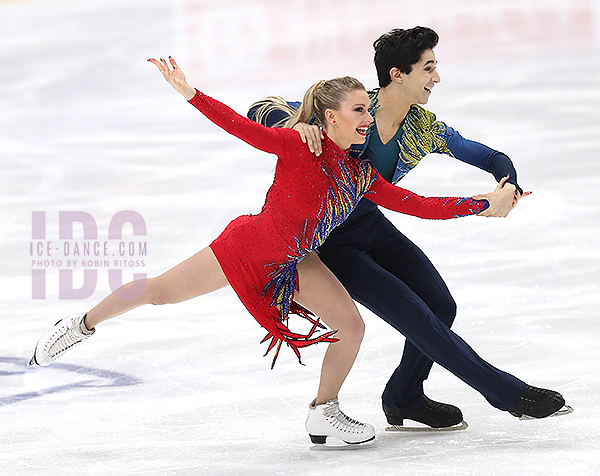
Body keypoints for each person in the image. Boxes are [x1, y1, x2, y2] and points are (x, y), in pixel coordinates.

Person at [28, 57, 500, 447]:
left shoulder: (359, 175)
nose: (368, 120)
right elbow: (238, 124)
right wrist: (191, 93)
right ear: (331, 117)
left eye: (368, 111)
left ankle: (324, 410)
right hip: (249, 249)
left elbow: (415, 205)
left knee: (351, 326)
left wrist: (482, 205)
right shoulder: (298, 144)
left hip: (297, 261)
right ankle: (79, 325)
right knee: (159, 292)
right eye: (360, 111)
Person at [248, 27, 571, 429]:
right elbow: (262, 107)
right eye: (428, 68)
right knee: (417, 316)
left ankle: (403, 396)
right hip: (329, 242)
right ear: (397, 75)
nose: (436, 78)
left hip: (369, 223)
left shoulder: (421, 126)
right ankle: (508, 393)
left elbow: (490, 155)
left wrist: (508, 187)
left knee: (440, 306)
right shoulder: (349, 109)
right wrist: (296, 124)